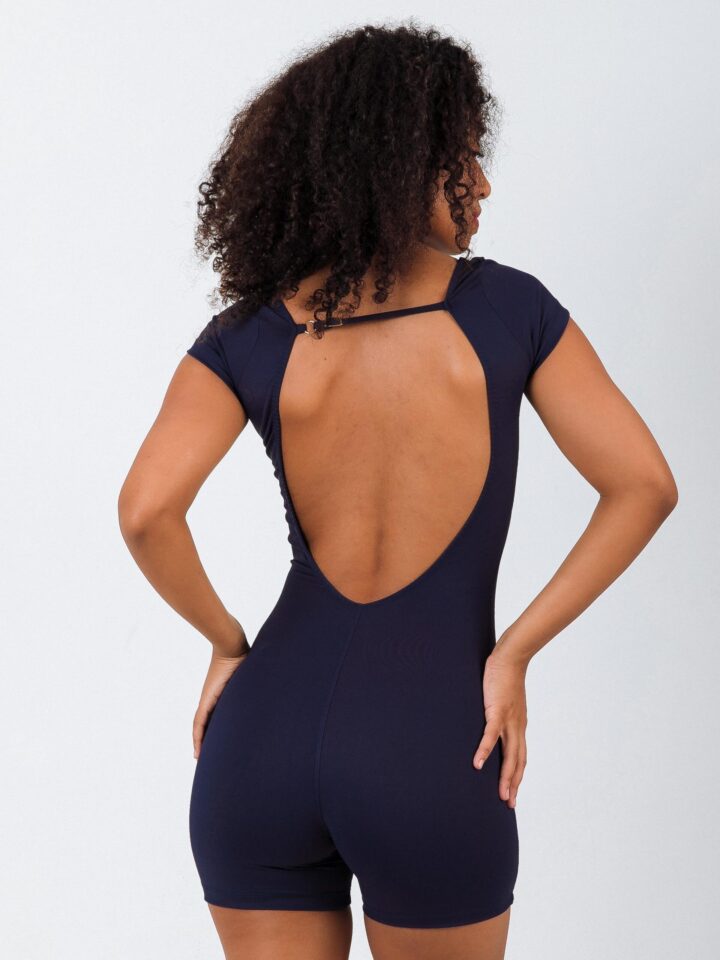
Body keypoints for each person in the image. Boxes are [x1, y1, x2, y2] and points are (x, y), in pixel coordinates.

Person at [118, 22, 678, 960]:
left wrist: (226, 643)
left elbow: (145, 512)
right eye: (463, 158)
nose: (483, 185)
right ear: (395, 163)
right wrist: (513, 654)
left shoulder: (249, 334)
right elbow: (644, 486)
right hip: (431, 746)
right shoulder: (509, 310)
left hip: (259, 744)